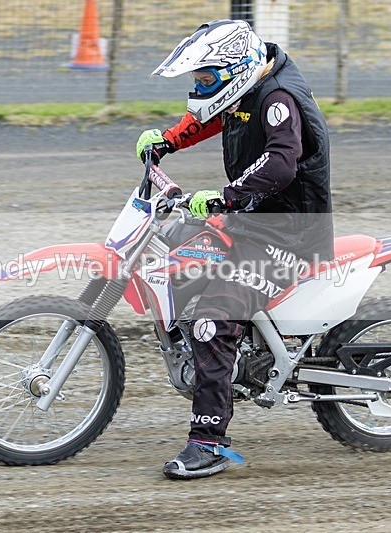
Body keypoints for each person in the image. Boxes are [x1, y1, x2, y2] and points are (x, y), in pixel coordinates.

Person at [135, 19, 334, 479]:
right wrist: (167, 141)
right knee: (174, 249)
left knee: (212, 321)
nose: (200, 87)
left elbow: (281, 164)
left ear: (237, 68)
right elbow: (216, 114)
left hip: (288, 237)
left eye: (206, 78)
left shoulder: (279, 99)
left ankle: (209, 442)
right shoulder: (248, 87)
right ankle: (225, 362)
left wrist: (226, 197)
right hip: (252, 222)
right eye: (197, 78)